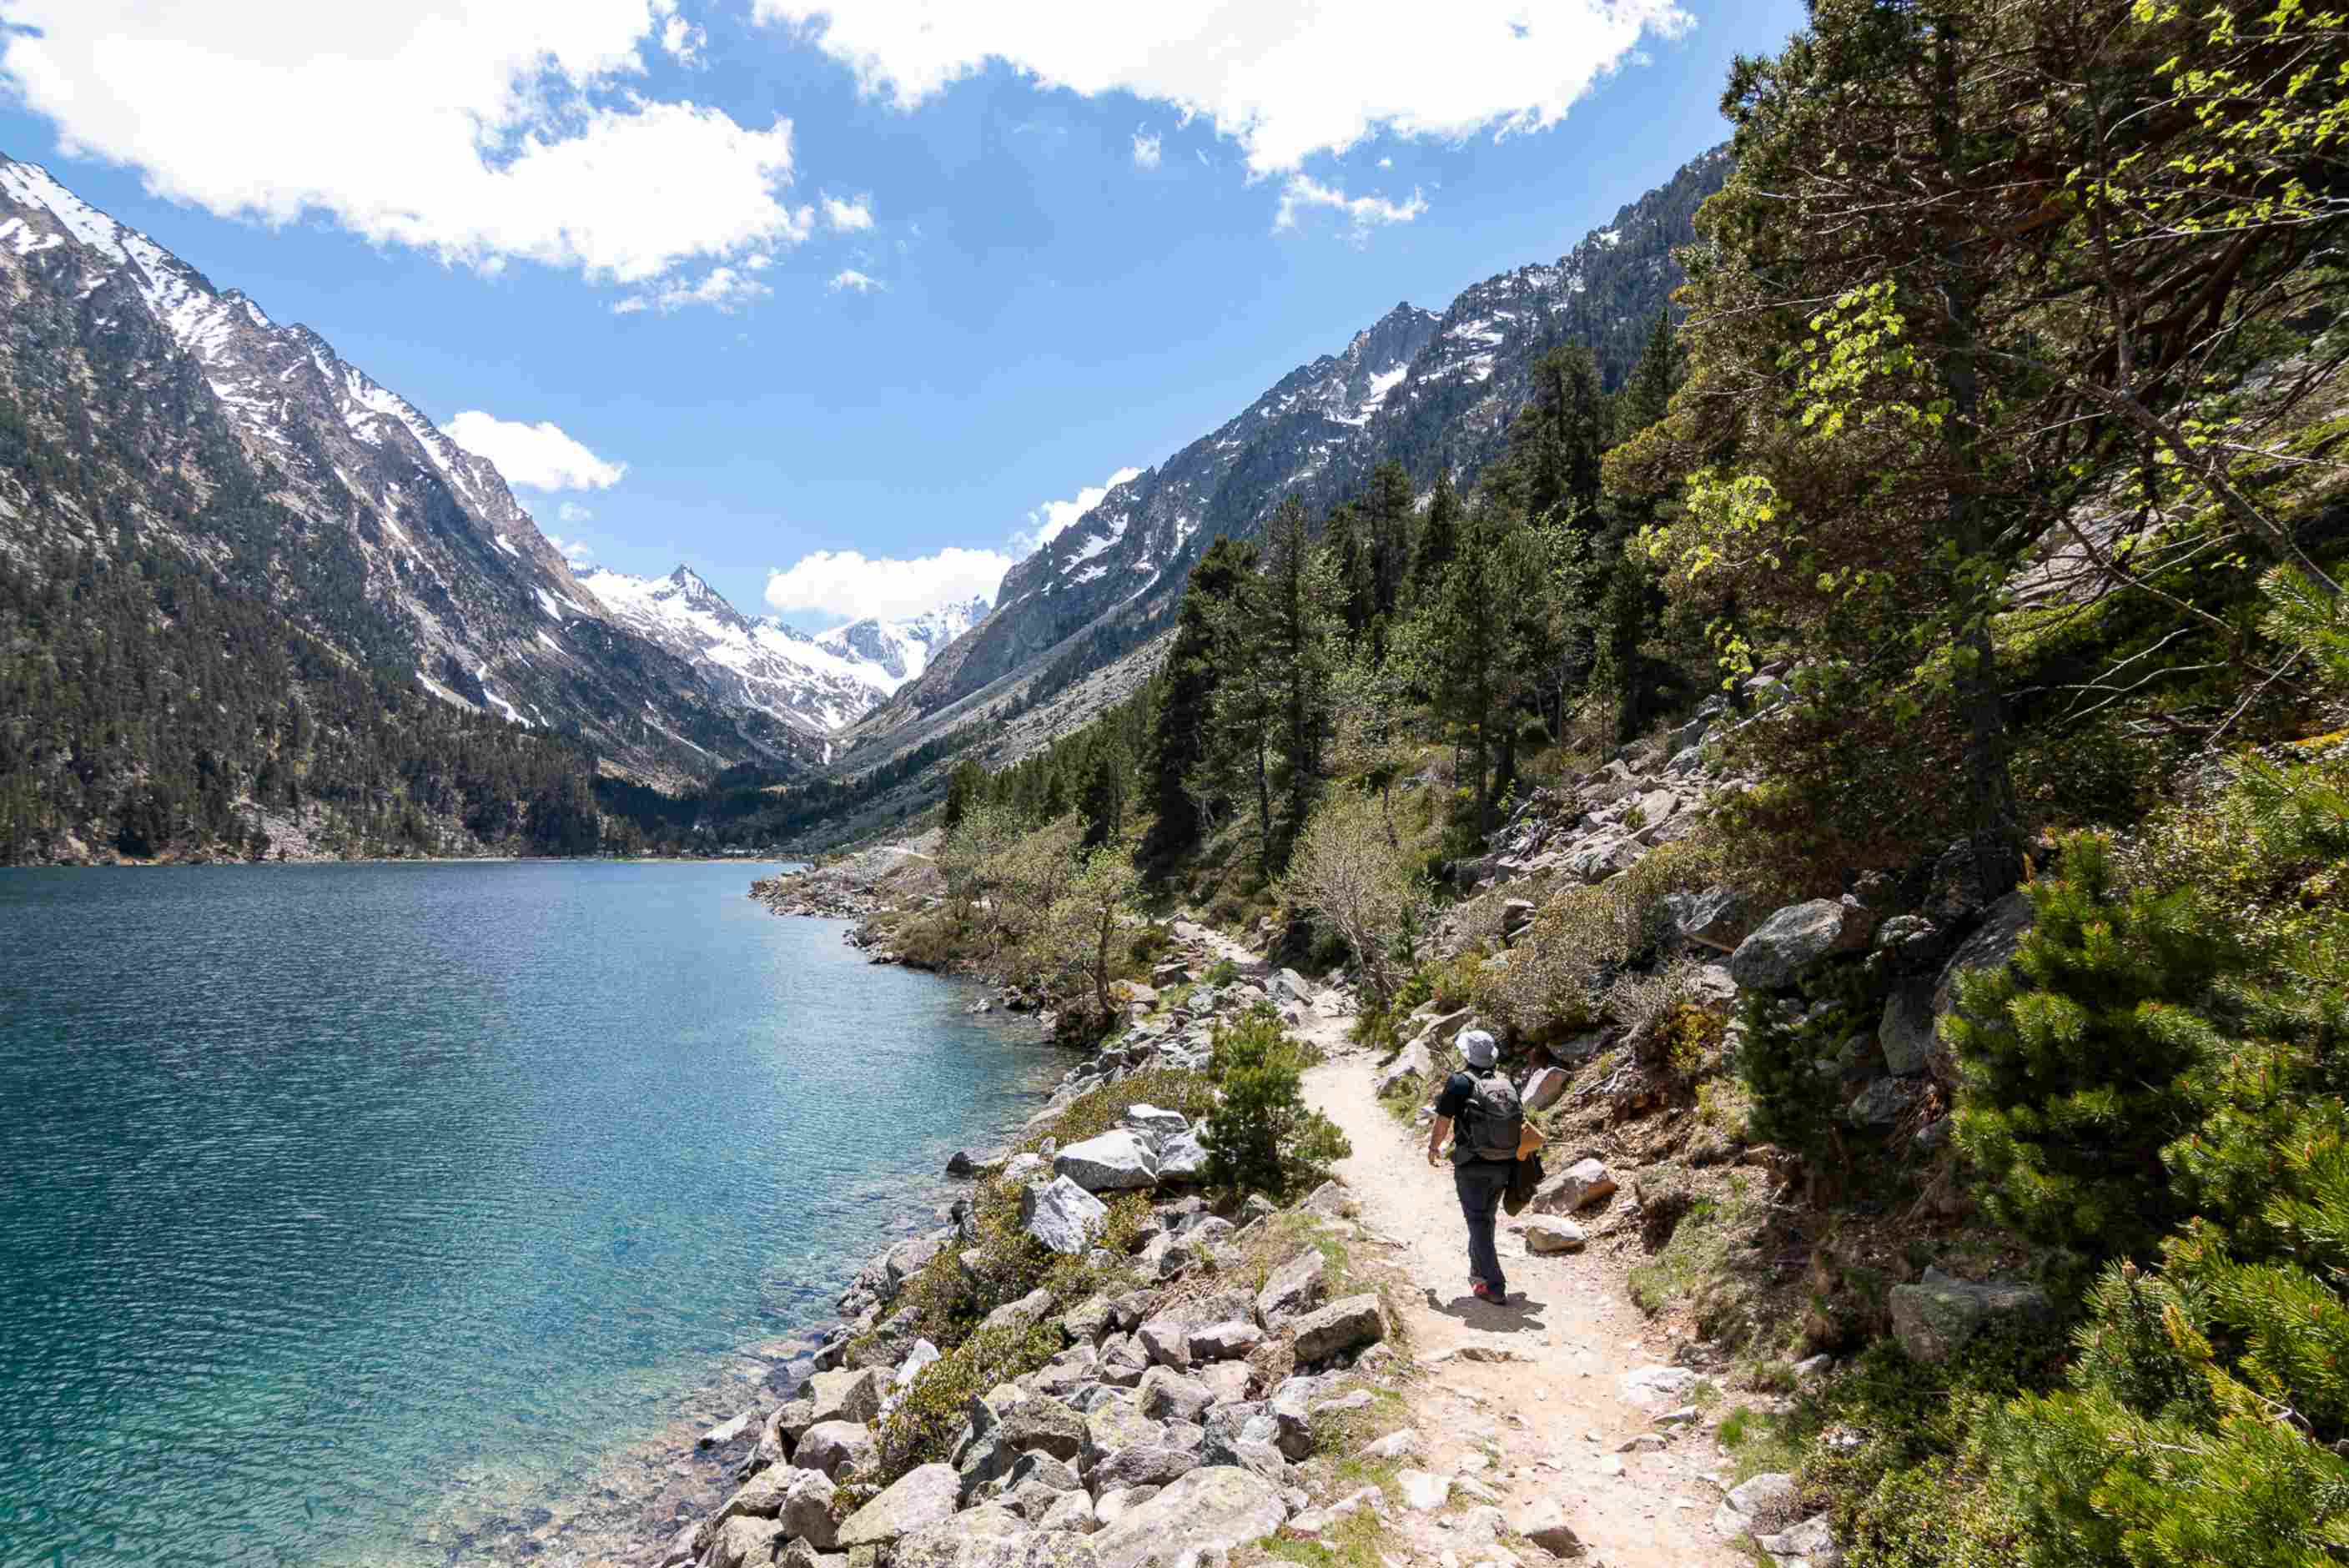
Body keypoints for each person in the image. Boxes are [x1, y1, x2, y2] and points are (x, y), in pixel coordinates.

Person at [1425, 1028, 1522, 1304]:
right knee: (1485, 1220)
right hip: (1504, 1164)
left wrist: (1434, 1148)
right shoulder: (1506, 1083)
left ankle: (1494, 1285)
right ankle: (1479, 1277)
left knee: (1478, 1222)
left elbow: (1443, 1121)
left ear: (1467, 1054)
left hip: (1472, 1165)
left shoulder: (1458, 1082)